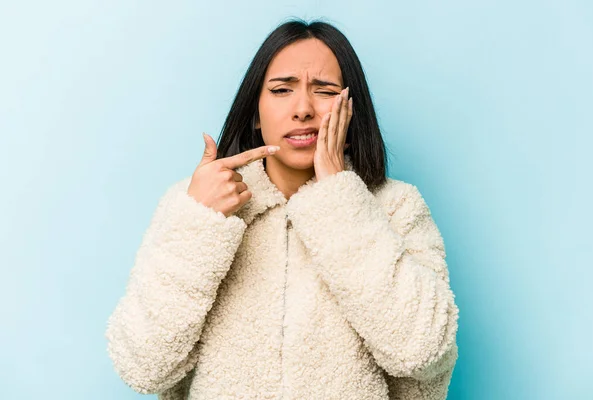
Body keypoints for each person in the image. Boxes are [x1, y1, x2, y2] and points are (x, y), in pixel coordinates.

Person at [105, 18, 459, 400]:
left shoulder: (396, 206)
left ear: (351, 111)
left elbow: (425, 353)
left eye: (324, 91)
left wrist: (340, 199)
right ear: (255, 113)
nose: (303, 108)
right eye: (281, 90)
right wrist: (200, 222)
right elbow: (143, 367)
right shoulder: (197, 205)